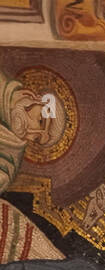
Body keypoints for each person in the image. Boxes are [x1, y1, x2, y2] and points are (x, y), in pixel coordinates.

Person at [0, 66, 67, 195]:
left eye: (37, 139)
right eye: (41, 121)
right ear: (33, 98)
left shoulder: (7, 162)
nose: (30, 134)